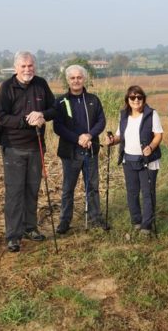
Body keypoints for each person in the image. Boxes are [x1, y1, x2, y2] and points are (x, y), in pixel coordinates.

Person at [0, 51, 56, 253]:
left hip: (36, 146)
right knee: (14, 192)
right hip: (13, 147)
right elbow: (2, 117)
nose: (27, 69)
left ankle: (31, 228)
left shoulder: (41, 84)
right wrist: (24, 120)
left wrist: (42, 115)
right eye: (23, 66)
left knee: (32, 189)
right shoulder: (6, 87)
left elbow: (54, 108)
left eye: (30, 66)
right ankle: (13, 235)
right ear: (16, 68)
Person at [53, 64, 109, 234]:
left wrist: (89, 135)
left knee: (92, 187)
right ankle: (64, 221)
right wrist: (77, 138)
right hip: (70, 153)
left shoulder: (93, 99)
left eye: (79, 77)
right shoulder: (61, 102)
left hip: (90, 150)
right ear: (68, 80)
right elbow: (58, 127)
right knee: (68, 188)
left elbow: (101, 121)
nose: (76, 81)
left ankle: (95, 218)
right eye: (72, 78)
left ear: (84, 79)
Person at [105, 85, 163, 237]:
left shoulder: (151, 114)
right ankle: (136, 221)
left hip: (147, 161)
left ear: (143, 99)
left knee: (147, 193)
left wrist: (151, 146)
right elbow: (119, 136)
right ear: (127, 100)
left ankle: (146, 225)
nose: (136, 100)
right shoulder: (123, 115)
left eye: (139, 97)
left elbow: (158, 135)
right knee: (132, 193)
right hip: (128, 159)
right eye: (132, 97)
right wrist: (112, 140)